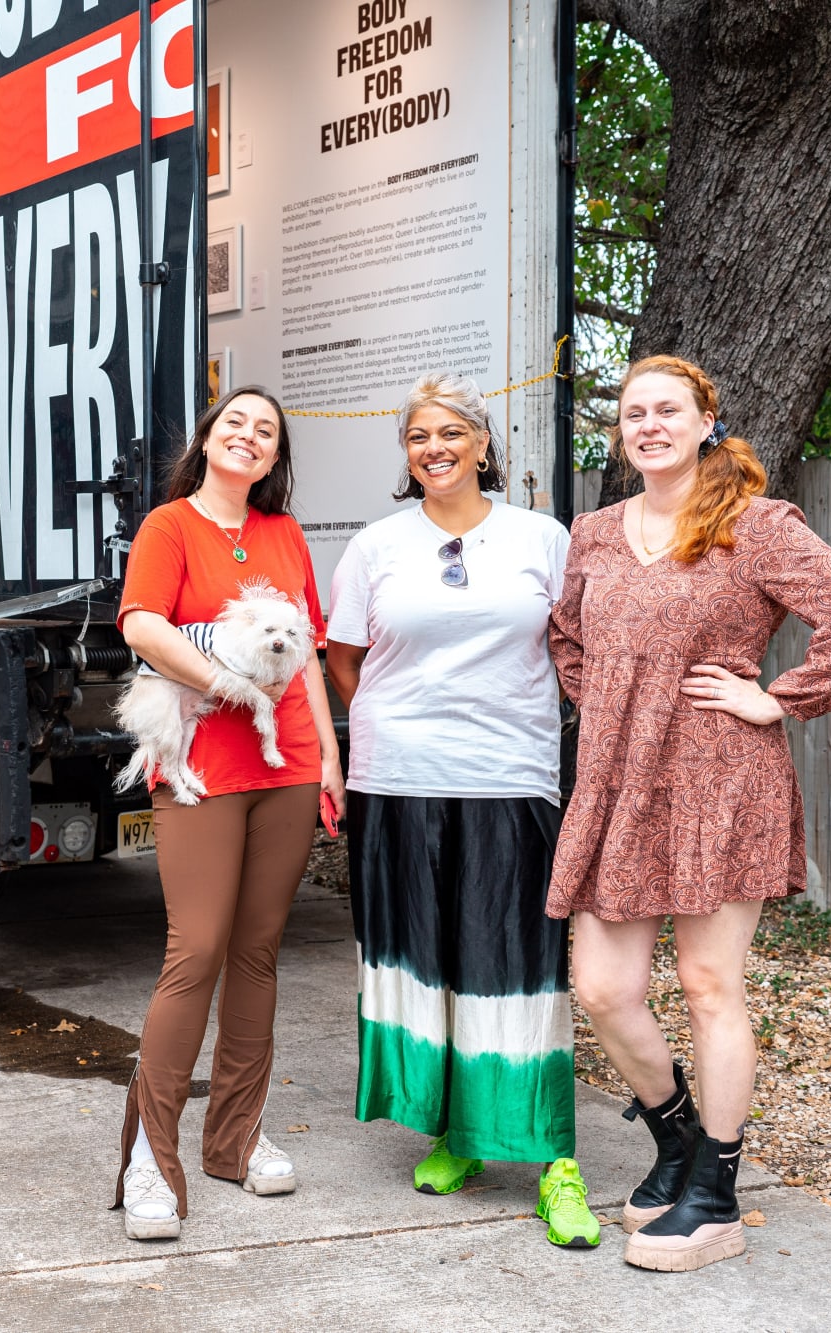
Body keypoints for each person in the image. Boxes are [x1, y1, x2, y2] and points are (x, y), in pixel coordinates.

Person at [550, 355, 831, 1272]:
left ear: (708, 419)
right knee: (601, 986)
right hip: (621, 785)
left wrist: (776, 699)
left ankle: (715, 1193)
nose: (650, 425)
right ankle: (678, 1144)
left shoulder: (756, 526)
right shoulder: (592, 530)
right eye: (634, 414)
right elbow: (567, 637)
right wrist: (620, 707)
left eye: (669, 410)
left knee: (710, 986)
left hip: (720, 781)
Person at [324, 373, 600, 1250]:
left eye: (450, 433)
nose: (434, 448)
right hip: (397, 779)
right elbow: (343, 657)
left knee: (520, 964)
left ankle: (555, 1159)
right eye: (417, 437)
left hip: (510, 776)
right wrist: (401, 723)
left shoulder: (542, 537)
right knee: (428, 959)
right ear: (406, 455)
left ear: (484, 443)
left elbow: (577, 649)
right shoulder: (375, 546)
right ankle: (458, 1135)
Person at [113, 385, 345, 1241]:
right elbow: (141, 624)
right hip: (203, 766)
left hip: (286, 768)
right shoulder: (170, 526)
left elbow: (312, 655)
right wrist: (229, 684)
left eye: (267, 431)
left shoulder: (284, 537)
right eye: (235, 423)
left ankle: (236, 1138)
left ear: (275, 457)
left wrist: (330, 757)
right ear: (209, 440)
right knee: (196, 950)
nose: (249, 437)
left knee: (256, 953)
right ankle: (150, 1156)